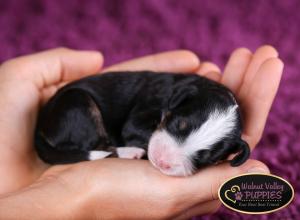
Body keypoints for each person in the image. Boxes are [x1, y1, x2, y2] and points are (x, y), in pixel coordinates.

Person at [0, 46, 283, 219]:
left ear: (233, 155)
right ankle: (102, 150)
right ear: (177, 103)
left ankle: (105, 150)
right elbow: (132, 127)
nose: (166, 158)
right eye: (177, 129)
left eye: (201, 157)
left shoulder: (185, 102)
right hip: (70, 113)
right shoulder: (166, 94)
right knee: (81, 107)